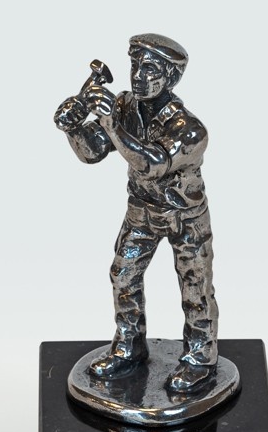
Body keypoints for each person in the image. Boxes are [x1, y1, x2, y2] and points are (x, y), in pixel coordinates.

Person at [54, 33, 219, 393]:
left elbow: (151, 163)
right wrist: (73, 127)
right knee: (123, 275)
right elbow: (92, 151)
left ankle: (201, 358)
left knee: (195, 286)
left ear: (171, 77)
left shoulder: (190, 130)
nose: (139, 75)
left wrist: (112, 124)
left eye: (150, 68)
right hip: (142, 210)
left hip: (184, 218)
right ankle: (129, 346)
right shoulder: (126, 107)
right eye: (135, 65)